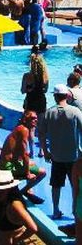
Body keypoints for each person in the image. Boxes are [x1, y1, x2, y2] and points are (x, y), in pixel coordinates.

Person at [41, 83, 82, 219]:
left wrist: (45, 151)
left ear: (54, 96)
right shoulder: (75, 112)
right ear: (67, 96)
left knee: (56, 185)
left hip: (56, 157)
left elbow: (41, 134)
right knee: (75, 186)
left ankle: (56, 210)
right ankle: (75, 212)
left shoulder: (49, 112)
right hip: (73, 157)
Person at [0, 111, 46, 204]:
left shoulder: (19, 128)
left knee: (32, 163)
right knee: (42, 172)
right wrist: (27, 173)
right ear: (25, 120)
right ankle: (23, 192)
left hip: (6, 163)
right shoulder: (24, 130)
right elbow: (25, 154)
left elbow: (19, 153)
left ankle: (28, 191)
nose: (35, 120)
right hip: (8, 167)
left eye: (36, 118)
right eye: (32, 118)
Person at [0, 170, 38, 245]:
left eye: (2, 190)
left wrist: (17, 239)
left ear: (10, 189)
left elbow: (33, 228)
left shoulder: (15, 204)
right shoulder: (1, 198)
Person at [21, 54, 49, 157]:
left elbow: (23, 91)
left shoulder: (27, 76)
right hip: (41, 102)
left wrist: (29, 89)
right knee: (41, 129)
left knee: (31, 128)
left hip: (30, 103)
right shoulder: (45, 78)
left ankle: (31, 152)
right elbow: (45, 90)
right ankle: (41, 151)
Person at [72, 158, 82, 245]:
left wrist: (74, 206)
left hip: (80, 206)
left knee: (79, 240)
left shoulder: (78, 164)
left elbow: (75, 189)